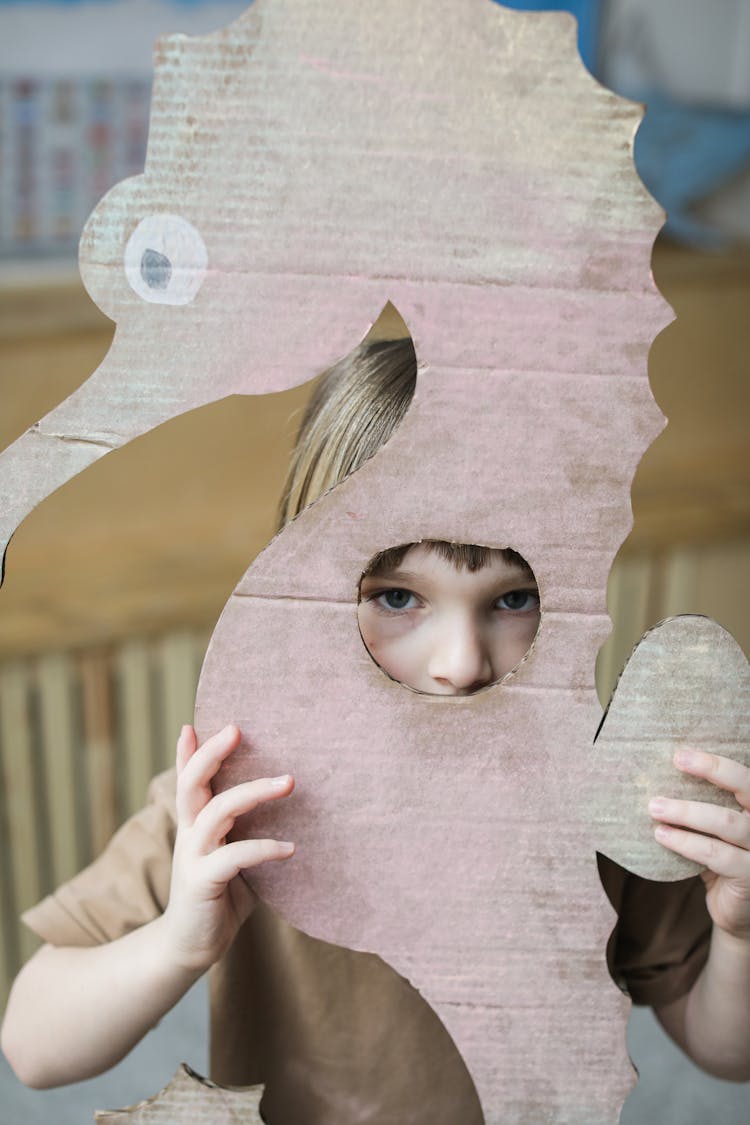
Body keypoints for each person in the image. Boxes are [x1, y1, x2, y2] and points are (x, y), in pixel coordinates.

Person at [2, 339, 749, 1122]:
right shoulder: (240, 801)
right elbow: (33, 1045)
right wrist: (177, 944)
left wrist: (739, 930)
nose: (460, 664)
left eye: (513, 597)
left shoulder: (594, 792)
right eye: (398, 598)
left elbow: (723, 1049)